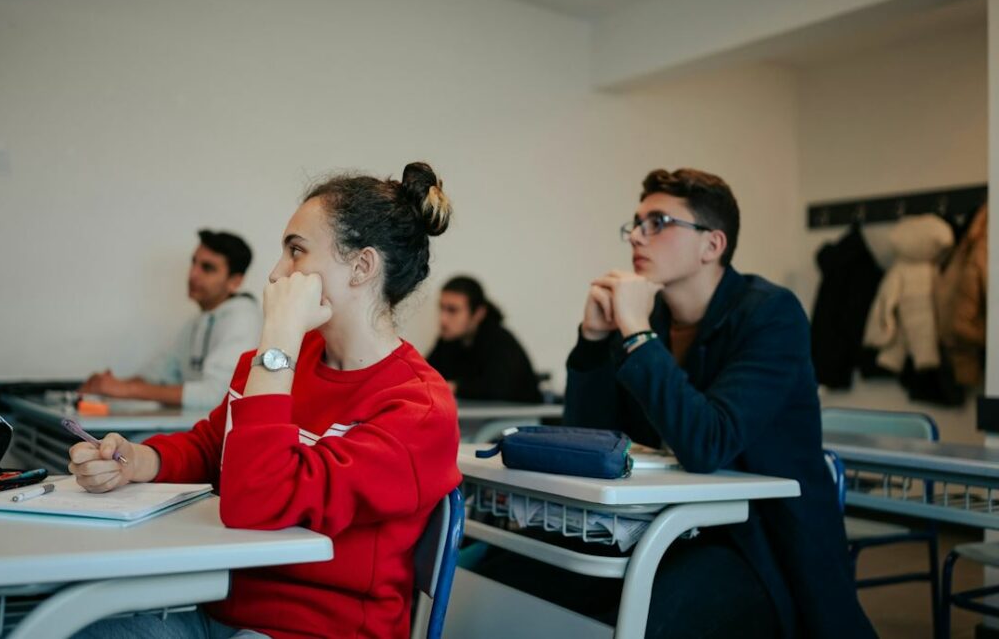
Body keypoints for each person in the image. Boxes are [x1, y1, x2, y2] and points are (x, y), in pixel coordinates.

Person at [68, 163, 462, 639]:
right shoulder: (279, 364)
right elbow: (214, 447)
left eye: (295, 252)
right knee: (88, 630)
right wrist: (137, 460)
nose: (276, 275)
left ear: (362, 267)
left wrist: (278, 341)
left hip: (321, 629)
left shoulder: (417, 409)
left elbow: (255, 501)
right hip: (222, 612)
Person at [478, 168, 875, 638]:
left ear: (712, 245)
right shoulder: (652, 320)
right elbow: (590, 438)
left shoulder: (770, 314)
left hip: (755, 545)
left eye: (659, 222)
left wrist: (636, 332)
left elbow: (708, 443)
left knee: (644, 622)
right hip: (660, 528)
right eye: (637, 223)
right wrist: (592, 339)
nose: (638, 237)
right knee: (501, 581)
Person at [80, 230, 262, 410]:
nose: (193, 274)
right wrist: (106, 386)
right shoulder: (197, 322)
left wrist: (125, 389)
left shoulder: (243, 319)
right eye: (194, 263)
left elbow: (216, 395)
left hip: (219, 437)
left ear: (235, 281)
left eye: (207, 268)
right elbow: (160, 374)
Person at [426, 276, 542, 403]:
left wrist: (455, 388)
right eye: (441, 308)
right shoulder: (449, 340)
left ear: (478, 313)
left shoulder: (500, 342)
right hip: (481, 418)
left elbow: (499, 389)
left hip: (519, 418)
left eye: (452, 310)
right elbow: (425, 374)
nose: (443, 319)